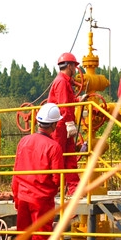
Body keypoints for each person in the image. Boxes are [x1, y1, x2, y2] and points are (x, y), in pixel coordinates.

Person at [12, 103, 65, 240]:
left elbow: (16, 173)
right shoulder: (54, 147)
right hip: (42, 201)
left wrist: (16, 197)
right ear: (54, 125)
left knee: (22, 237)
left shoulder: (24, 141)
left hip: (22, 198)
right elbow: (57, 179)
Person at [47, 52, 81, 195]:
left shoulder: (64, 81)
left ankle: (74, 189)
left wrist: (80, 100)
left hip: (63, 124)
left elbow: (68, 101)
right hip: (59, 125)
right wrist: (69, 123)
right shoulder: (61, 81)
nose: (75, 69)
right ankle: (53, 189)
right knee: (58, 157)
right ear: (69, 66)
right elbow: (63, 104)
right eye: (74, 65)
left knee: (69, 156)